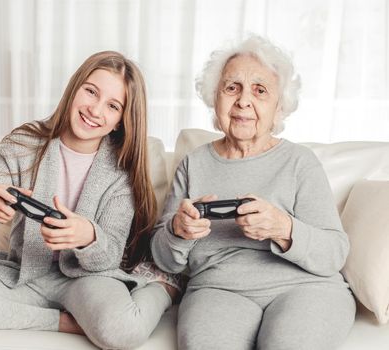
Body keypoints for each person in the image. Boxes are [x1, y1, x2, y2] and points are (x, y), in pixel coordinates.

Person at [0, 51, 179, 349]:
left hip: (88, 280)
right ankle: (61, 322)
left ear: (120, 121)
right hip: (23, 274)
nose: (95, 110)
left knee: (122, 332)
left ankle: (164, 289)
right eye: (91, 91)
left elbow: (108, 257)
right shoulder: (24, 143)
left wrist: (89, 237)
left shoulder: (121, 171)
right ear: (74, 88)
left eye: (112, 106)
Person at [151, 36, 356, 350]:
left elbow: (335, 252)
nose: (243, 100)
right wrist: (178, 232)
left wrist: (283, 228)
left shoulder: (299, 162)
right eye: (232, 87)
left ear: (279, 107)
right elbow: (164, 260)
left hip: (306, 288)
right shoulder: (194, 164)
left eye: (260, 90)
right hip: (219, 289)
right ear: (214, 98)